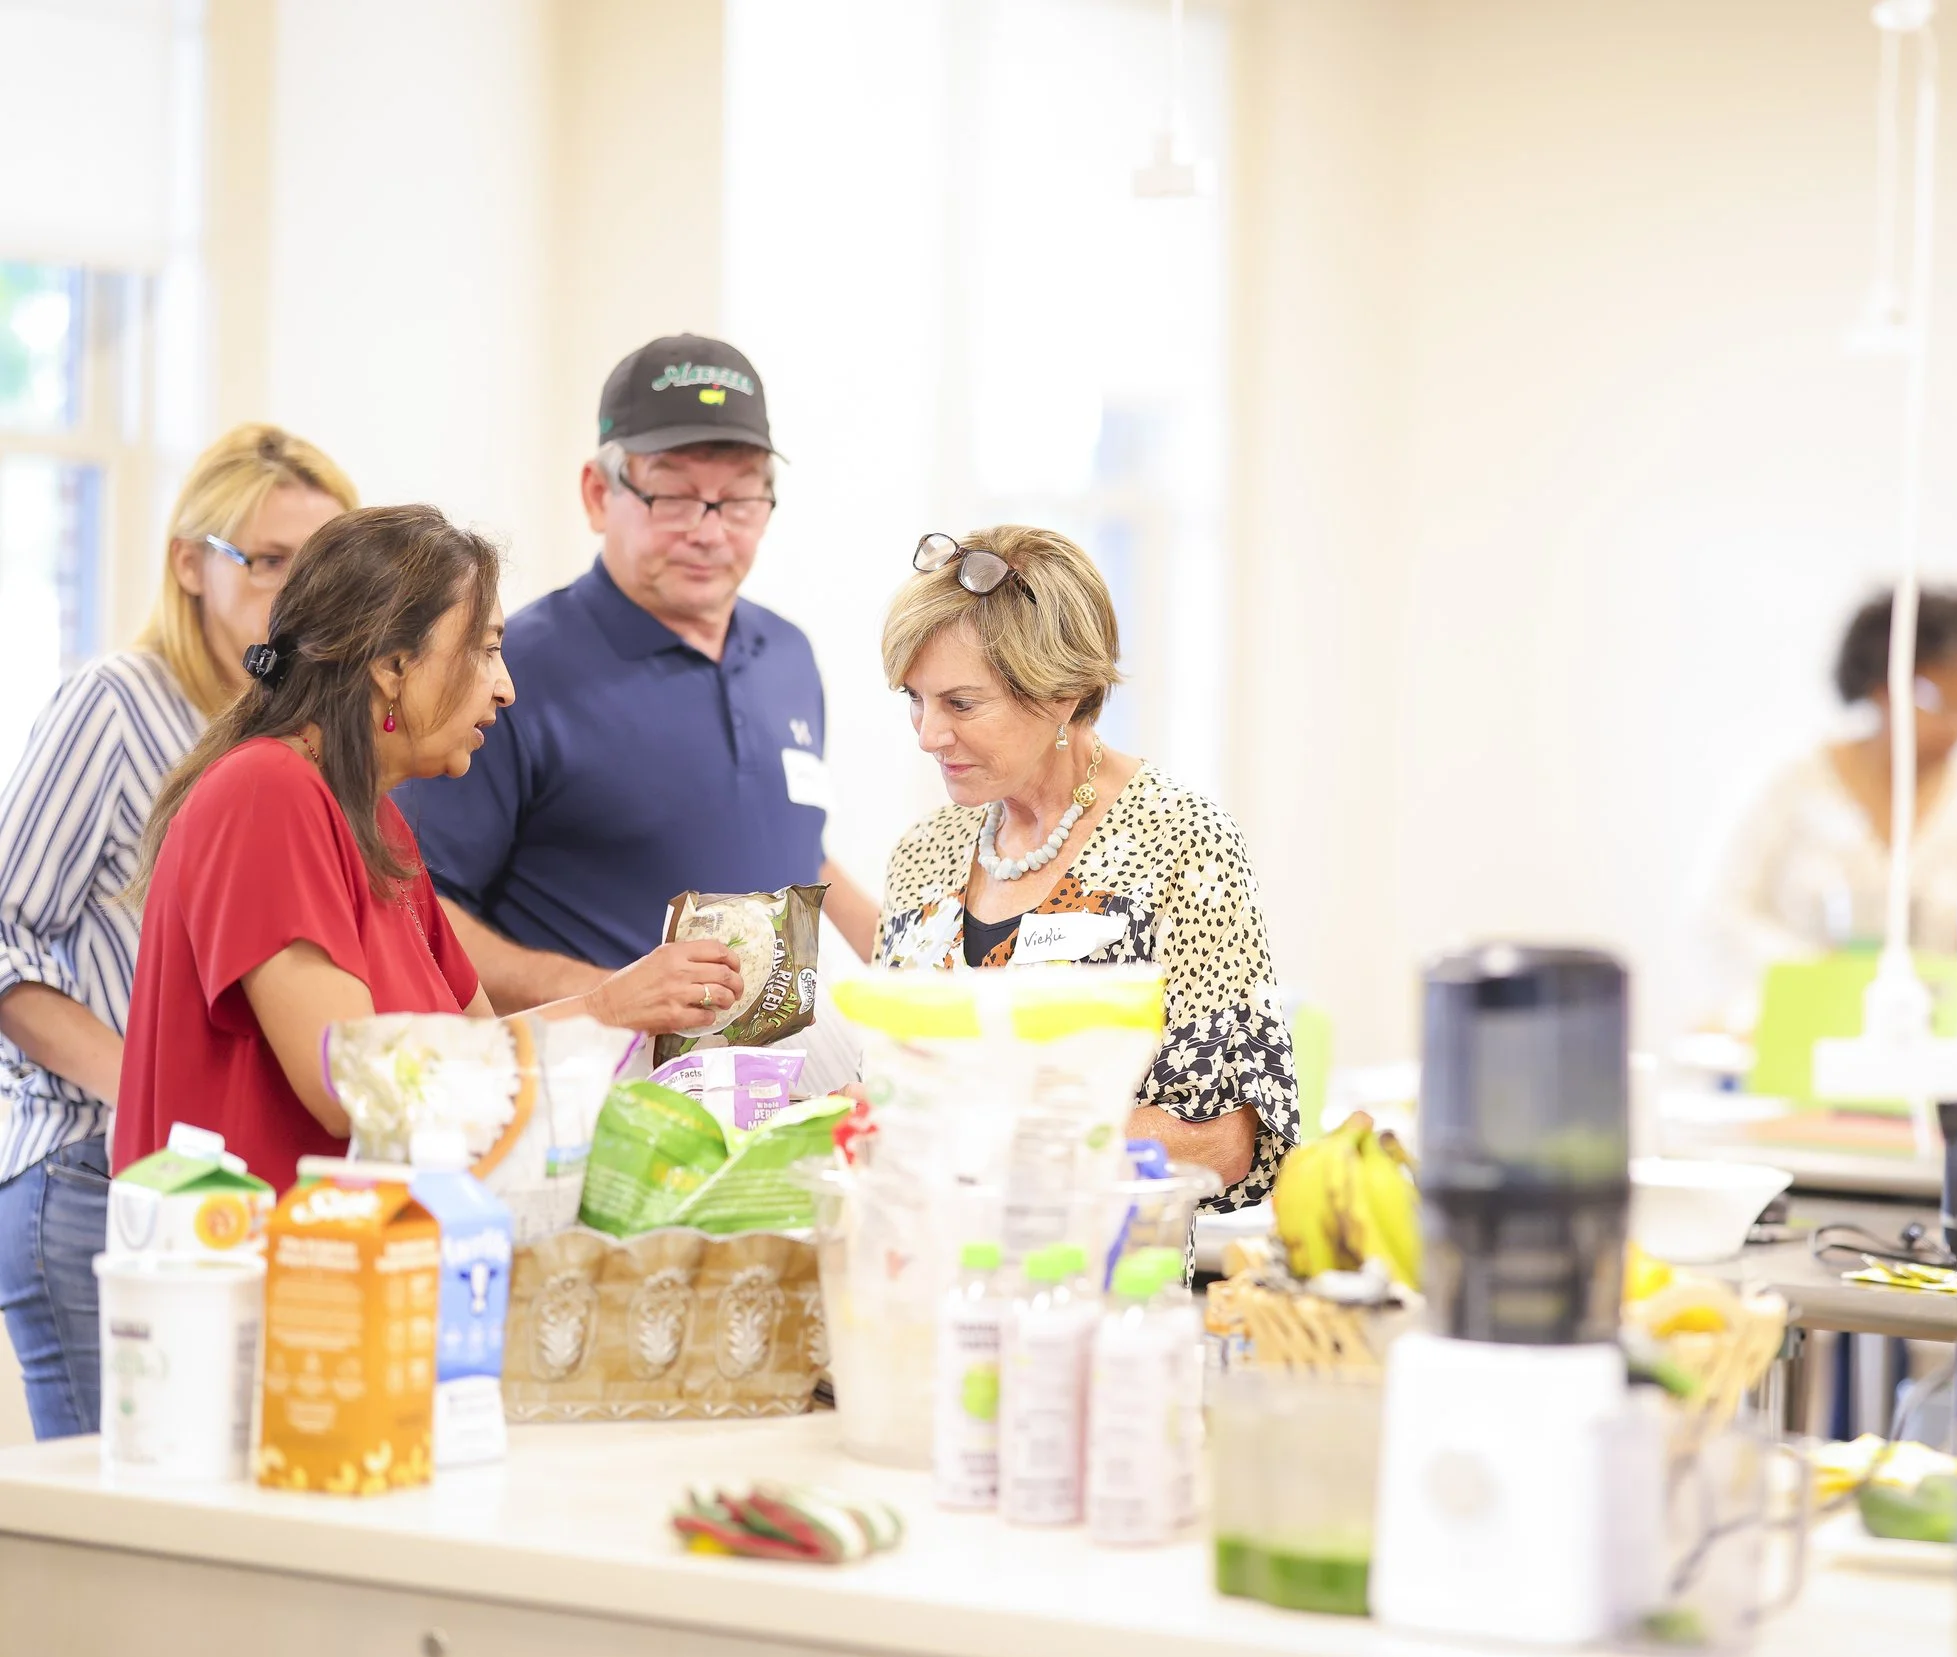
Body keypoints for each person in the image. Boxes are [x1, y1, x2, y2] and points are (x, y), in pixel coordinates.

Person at [114, 505, 750, 1192]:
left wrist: (629, 1012)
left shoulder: (381, 827)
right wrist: (601, 1009)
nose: (505, 687)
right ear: (393, 666)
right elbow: (347, 1082)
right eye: (484, 650)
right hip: (253, 1266)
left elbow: (479, 1052)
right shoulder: (267, 790)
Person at [0, 424, 355, 1440]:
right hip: (90, 1169)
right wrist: (144, 1087)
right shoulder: (114, 705)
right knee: (122, 1529)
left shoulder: (294, 734)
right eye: (268, 558)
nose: (294, 590)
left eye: (318, 563)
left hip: (224, 1185)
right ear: (189, 563)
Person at [396, 334, 877, 1015]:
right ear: (598, 493)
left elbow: (792, 837)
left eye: (739, 499)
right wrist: (605, 996)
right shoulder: (508, 670)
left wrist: (898, 951)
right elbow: (416, 909)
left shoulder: (789, 655)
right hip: (600, 1093)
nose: (709, 532)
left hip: (776, 1093)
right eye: (674, 497)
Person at [874, 527, 1296, 1208]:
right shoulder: (924, 853)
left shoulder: (1180, 842)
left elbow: (1222, 1138)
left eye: (960, 702)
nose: (929, 734)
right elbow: (897, 1091)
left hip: (1101, 1290)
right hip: (928, 1281)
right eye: (914, 699)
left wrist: (1001, 1144)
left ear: (1060, 694)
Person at [1704, 585, 1957, 1027]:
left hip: (1925, 1044)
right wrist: (1813, 971)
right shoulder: (1792, 787)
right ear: (1882, 686)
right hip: (1798, 1033)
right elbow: (1721, 915)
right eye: (1941, 701)